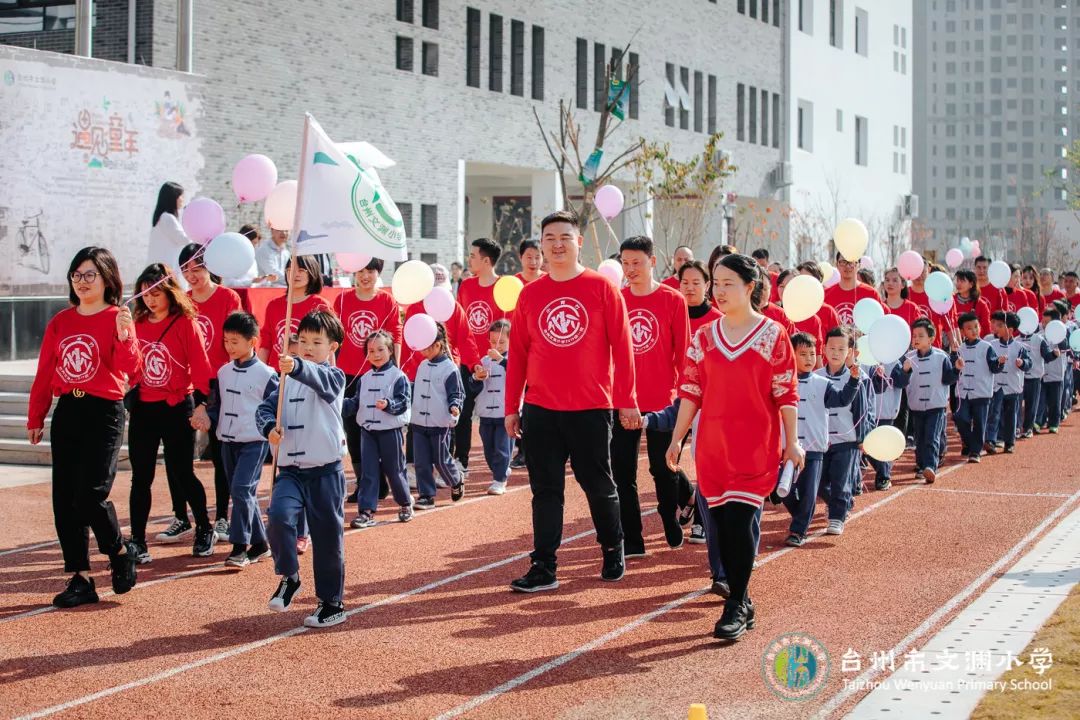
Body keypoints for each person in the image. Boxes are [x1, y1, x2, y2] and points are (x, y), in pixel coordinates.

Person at [664, 253, 802, 640]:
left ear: (749, 287)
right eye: (716, 284)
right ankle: (743, 598)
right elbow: (690, 390)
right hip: (712, 447)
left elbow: (785, 392)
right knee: (721, 530)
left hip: (756, 445)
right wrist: (677, 437)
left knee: (741, 525)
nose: (719, 291)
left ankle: (736, 603)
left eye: (728, 284)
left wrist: (793, 443)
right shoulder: (704, 337)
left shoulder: (773, 335)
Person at [505, 209, 638, 593]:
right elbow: (519, 354)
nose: (557, 245)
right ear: (542, 245)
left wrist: (626, 400)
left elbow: (624, 348)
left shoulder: (601, 288)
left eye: (565, 237)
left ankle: (613, 546)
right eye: (550, 238)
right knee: (545, 491)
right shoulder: (530, 294)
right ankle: (544, 565)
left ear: (579, 242)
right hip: (542, 409)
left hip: (591, 407)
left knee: (598, 484)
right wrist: (512, 406)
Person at [28, 247, 140, 608]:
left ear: (107, 278)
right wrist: (36, 414)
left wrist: (126, 336)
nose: (81, 281)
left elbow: (130, 370)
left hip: (103, 411)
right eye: (76, 274)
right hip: (68, 412)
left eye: (89, 274)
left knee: (90, 494)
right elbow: (46, 370)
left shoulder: (117, 317)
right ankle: (81, 577)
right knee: (64, 499)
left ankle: (120, 551)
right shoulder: (61, 321)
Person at [258, 309, 348, 628]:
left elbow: (321, 380)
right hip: (291, 470)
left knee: (327, 538)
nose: (307, 347)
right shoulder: (284, 378)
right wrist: (268, 426)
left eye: (316, 342)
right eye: (302, 341)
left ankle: (331, 602)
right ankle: (289, 575)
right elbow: (266, 409)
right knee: (279, 517)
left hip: (325, 471)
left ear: (332, 346)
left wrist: (297, 365)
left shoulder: (334, 376)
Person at [126, 263, 216, 560]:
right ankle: (137, 540)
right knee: (141, 476)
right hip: (144, 409)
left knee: (182, 473)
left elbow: (201, 365)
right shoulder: (136, 322)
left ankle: (204, 526)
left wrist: (204, 403)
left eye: (156, 293)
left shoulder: (184, 322)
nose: (150, 299)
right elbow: (128, 363)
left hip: (178, 407)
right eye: (145, 293)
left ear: (169, 293)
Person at [613, 236, 692, 554]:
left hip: (663, 401)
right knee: (622, 472)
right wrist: (620, 399)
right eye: (625, 263)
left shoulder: (673, 300)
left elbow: (683, 354)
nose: (630, 269)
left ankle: (668, 516)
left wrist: (683, 399)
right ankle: (633, 538)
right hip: (623, 402)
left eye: (637, 262)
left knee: (663, 469)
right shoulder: (616, 299)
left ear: (652, 262)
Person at [180, 243, 243, 541]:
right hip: (186, 385)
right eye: (186, 270)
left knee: (221, 454)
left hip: (220, 384)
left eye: (197, 268)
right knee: (180, 455)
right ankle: (184, 516)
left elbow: (237, 339)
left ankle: (221, 517)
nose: (191, 275)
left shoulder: (228, 297)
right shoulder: (181, 300)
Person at [210, 311, 276, 568]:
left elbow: (275, 407)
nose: (229, 347)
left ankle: (240, 547)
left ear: (252, 342)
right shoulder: (223, 372)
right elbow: (217, 404)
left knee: (241, 489)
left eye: (235, 341)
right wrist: (206, 416)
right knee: (242, 492)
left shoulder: (266, 374)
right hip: (227, 440)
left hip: (254, 440)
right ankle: (260, 544)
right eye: (226, 341)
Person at [334, 257, 401, 503]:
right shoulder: (342, 299)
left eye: (370, 271)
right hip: (349, 374)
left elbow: (395, 336)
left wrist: (396, 371)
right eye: (360, 271)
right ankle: (365, 482)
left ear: (378, 273)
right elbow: (335, 337)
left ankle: (384, 480)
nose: (365, 276)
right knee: (352, 430)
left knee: (377, 429)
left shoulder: (387, 300)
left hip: (378, 374)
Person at [784, 332, 859, 547]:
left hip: (814, 447)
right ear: (791, 355)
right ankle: (802, 516)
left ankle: (798, 530)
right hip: (787, 447)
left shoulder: (822, 383)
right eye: (803, 354)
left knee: (809, 492)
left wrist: (853, 381)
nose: (809, 359)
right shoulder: (782, 381)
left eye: (812, 354)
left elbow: (842, 399)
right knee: (783, 491)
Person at [342, 330, 413, 527]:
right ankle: (366, 512)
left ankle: (406, 504)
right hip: (368, 433)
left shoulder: (399, 377)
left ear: (390, 350)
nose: (376, 354)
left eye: (381, 349)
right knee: (368, 472)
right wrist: (339, 405)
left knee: (395, 470)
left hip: (390, 432)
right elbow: (356, 402)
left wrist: (389, 404)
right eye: (371, 351)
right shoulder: (363, 379)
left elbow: (403, 401)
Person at [454, 238, 507, 474]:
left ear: (486, 260)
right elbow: (463, 326)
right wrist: (474, 362)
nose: (469, 259)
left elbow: (509, 328)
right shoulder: (465, 286)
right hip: (469, 362)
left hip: (496, 363)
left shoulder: (505, 287)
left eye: (473, 256)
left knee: (498, 415)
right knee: (463, 412)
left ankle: (504, 461)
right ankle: (461, 460)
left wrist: (497, 358)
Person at [410, 322, 465, 508]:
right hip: (418, 422)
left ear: (438, 345)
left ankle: (456, 480)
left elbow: (457, 393)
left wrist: (454, 406)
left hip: (439, 423)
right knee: (421, 461)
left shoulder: (450, 368)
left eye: (426, 346)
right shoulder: (422, 365)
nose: (422, 350)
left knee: (441, 459)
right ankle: (426, 495)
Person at [816, 327, 865, 535]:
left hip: (847, 438)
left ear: (849, 352)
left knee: (840, 479)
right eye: (832, 348)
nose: (835, 353)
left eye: (841, 349)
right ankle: (843, 501)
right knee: (818, 482)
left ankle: (837, 516)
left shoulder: (855, 377)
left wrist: (861, 438)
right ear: (824, 349)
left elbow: (861, 410)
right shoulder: (816, 376)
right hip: (819, 439)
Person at [903, 319, 958, 483]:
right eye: (914, 336)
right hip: (917, 405)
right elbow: (901, 379)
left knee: (932, 436)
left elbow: (949, 379)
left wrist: (957, 369)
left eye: (921, 335)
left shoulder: (942, 357)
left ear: (931, 338)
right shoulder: (909, 358)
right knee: (919, 437)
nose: (917, 339)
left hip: (936, 405)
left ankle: (930, 466)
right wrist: (905, 370)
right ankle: (921, 465)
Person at [258, 255, 332, 373]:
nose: (295, 274)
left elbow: (329, 345)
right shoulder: (274, 305)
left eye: (301, 270)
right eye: (290, 269)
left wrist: (330, 375)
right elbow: (266, 344)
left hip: (309, 373)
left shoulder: (320, 305)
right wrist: (259, 372)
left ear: (312, 272)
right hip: (278, 372)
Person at [469, 319, 514, 495]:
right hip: (486, 412)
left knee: (502, 448)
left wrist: (501, 360)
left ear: (510, 341)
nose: (497, 345)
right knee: (489, 451)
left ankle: (499, 480)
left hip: (505, 413)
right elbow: (473, 388)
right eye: (494, 342)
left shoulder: (513, 359)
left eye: (502, 342)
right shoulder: (484, 361)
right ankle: (500, 469)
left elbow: (516, 374)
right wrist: (476, 377)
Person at [953, 311, 1005, 462]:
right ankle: (970, 442)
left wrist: (1000, 363)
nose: (974, 330)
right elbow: (953, 367)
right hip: (963, 392)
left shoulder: (986, 347)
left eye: (976, 326)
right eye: (969, 328)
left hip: (981, 392)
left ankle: (975, 452)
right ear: (962, 331)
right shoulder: (959, 348)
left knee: (980, 423)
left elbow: (994, 367)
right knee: (960, 417)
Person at [985, 312, 1031, 454]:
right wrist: (997, 362)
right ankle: (990, 440)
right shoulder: (991, 345)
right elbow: (989, 363)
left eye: (1000, 325)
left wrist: (1022, 363)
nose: (995, 328)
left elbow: (1029, 363)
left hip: (1012, 387)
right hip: (996, 386)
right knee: (994, 413)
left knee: (1011, 416)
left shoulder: (1020, 347)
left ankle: (1009, 442)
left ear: (1010, 330)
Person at [148, 181, 191, 290]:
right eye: (181, 196)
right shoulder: (167, 218)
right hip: (168, 269)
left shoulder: (163, 217)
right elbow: (184, 239)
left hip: (164, 268)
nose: (182, 199)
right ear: (173, 198)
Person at [1018, 312, 1054, 437]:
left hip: (1034, 378)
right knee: (1017, 405)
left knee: (1032, 405)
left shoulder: (1039, 339)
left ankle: (1028, 428)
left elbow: (1047, 356)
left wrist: (1054, 354)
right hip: (1019, 379)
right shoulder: (1016, 340)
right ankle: (1017, 427)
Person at [824, 252, 882, 326]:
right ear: (837, 265)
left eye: (852, 262)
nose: (847, 266)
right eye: (843, 262)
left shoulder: (871, 294)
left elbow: (878, 323)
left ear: (859, 265)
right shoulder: (826, 295)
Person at [1040, 307, 1068, 433]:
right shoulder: (1040, 335)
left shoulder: (1061, 335)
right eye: (1043, 322)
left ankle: (1053, 423)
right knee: (1041, 399)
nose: (1044, 325)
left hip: (1056, 373)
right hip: (1042, 373)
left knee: (1054, 401)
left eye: (1047, 322)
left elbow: (1064, 347)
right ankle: (1039, 421)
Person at [680, 260, 722, 335]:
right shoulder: (672, 316)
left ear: (707, 285)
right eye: (685, 283)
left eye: (696, 283)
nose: (689, 288)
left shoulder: (719, 320)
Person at [954, 269, 992, 335]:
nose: (958, 284)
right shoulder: (951, 301)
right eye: (957, 281)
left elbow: (986, 328)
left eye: (962, 281)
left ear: (971, 284)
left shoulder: (981, 304)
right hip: (954, 342)